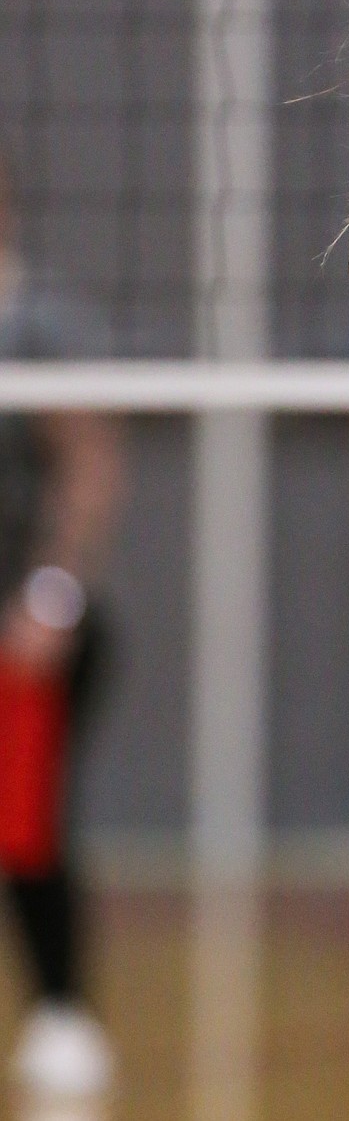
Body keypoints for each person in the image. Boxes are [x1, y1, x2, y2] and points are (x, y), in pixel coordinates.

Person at [0, 161, 125, 1103]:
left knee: (25, 824)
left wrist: (50, 595)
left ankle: (63, 1012)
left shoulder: (35, 321)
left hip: (27, 627)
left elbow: (88, 464)